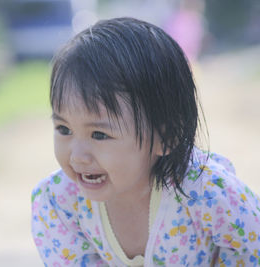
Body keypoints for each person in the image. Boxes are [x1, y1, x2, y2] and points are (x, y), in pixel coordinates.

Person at [31, 17, 260, 266]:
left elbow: (252, 249)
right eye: (64, 129)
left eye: (99, 134)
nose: (77, 156)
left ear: (166, 136)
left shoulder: (208, 193)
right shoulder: (59, 201)